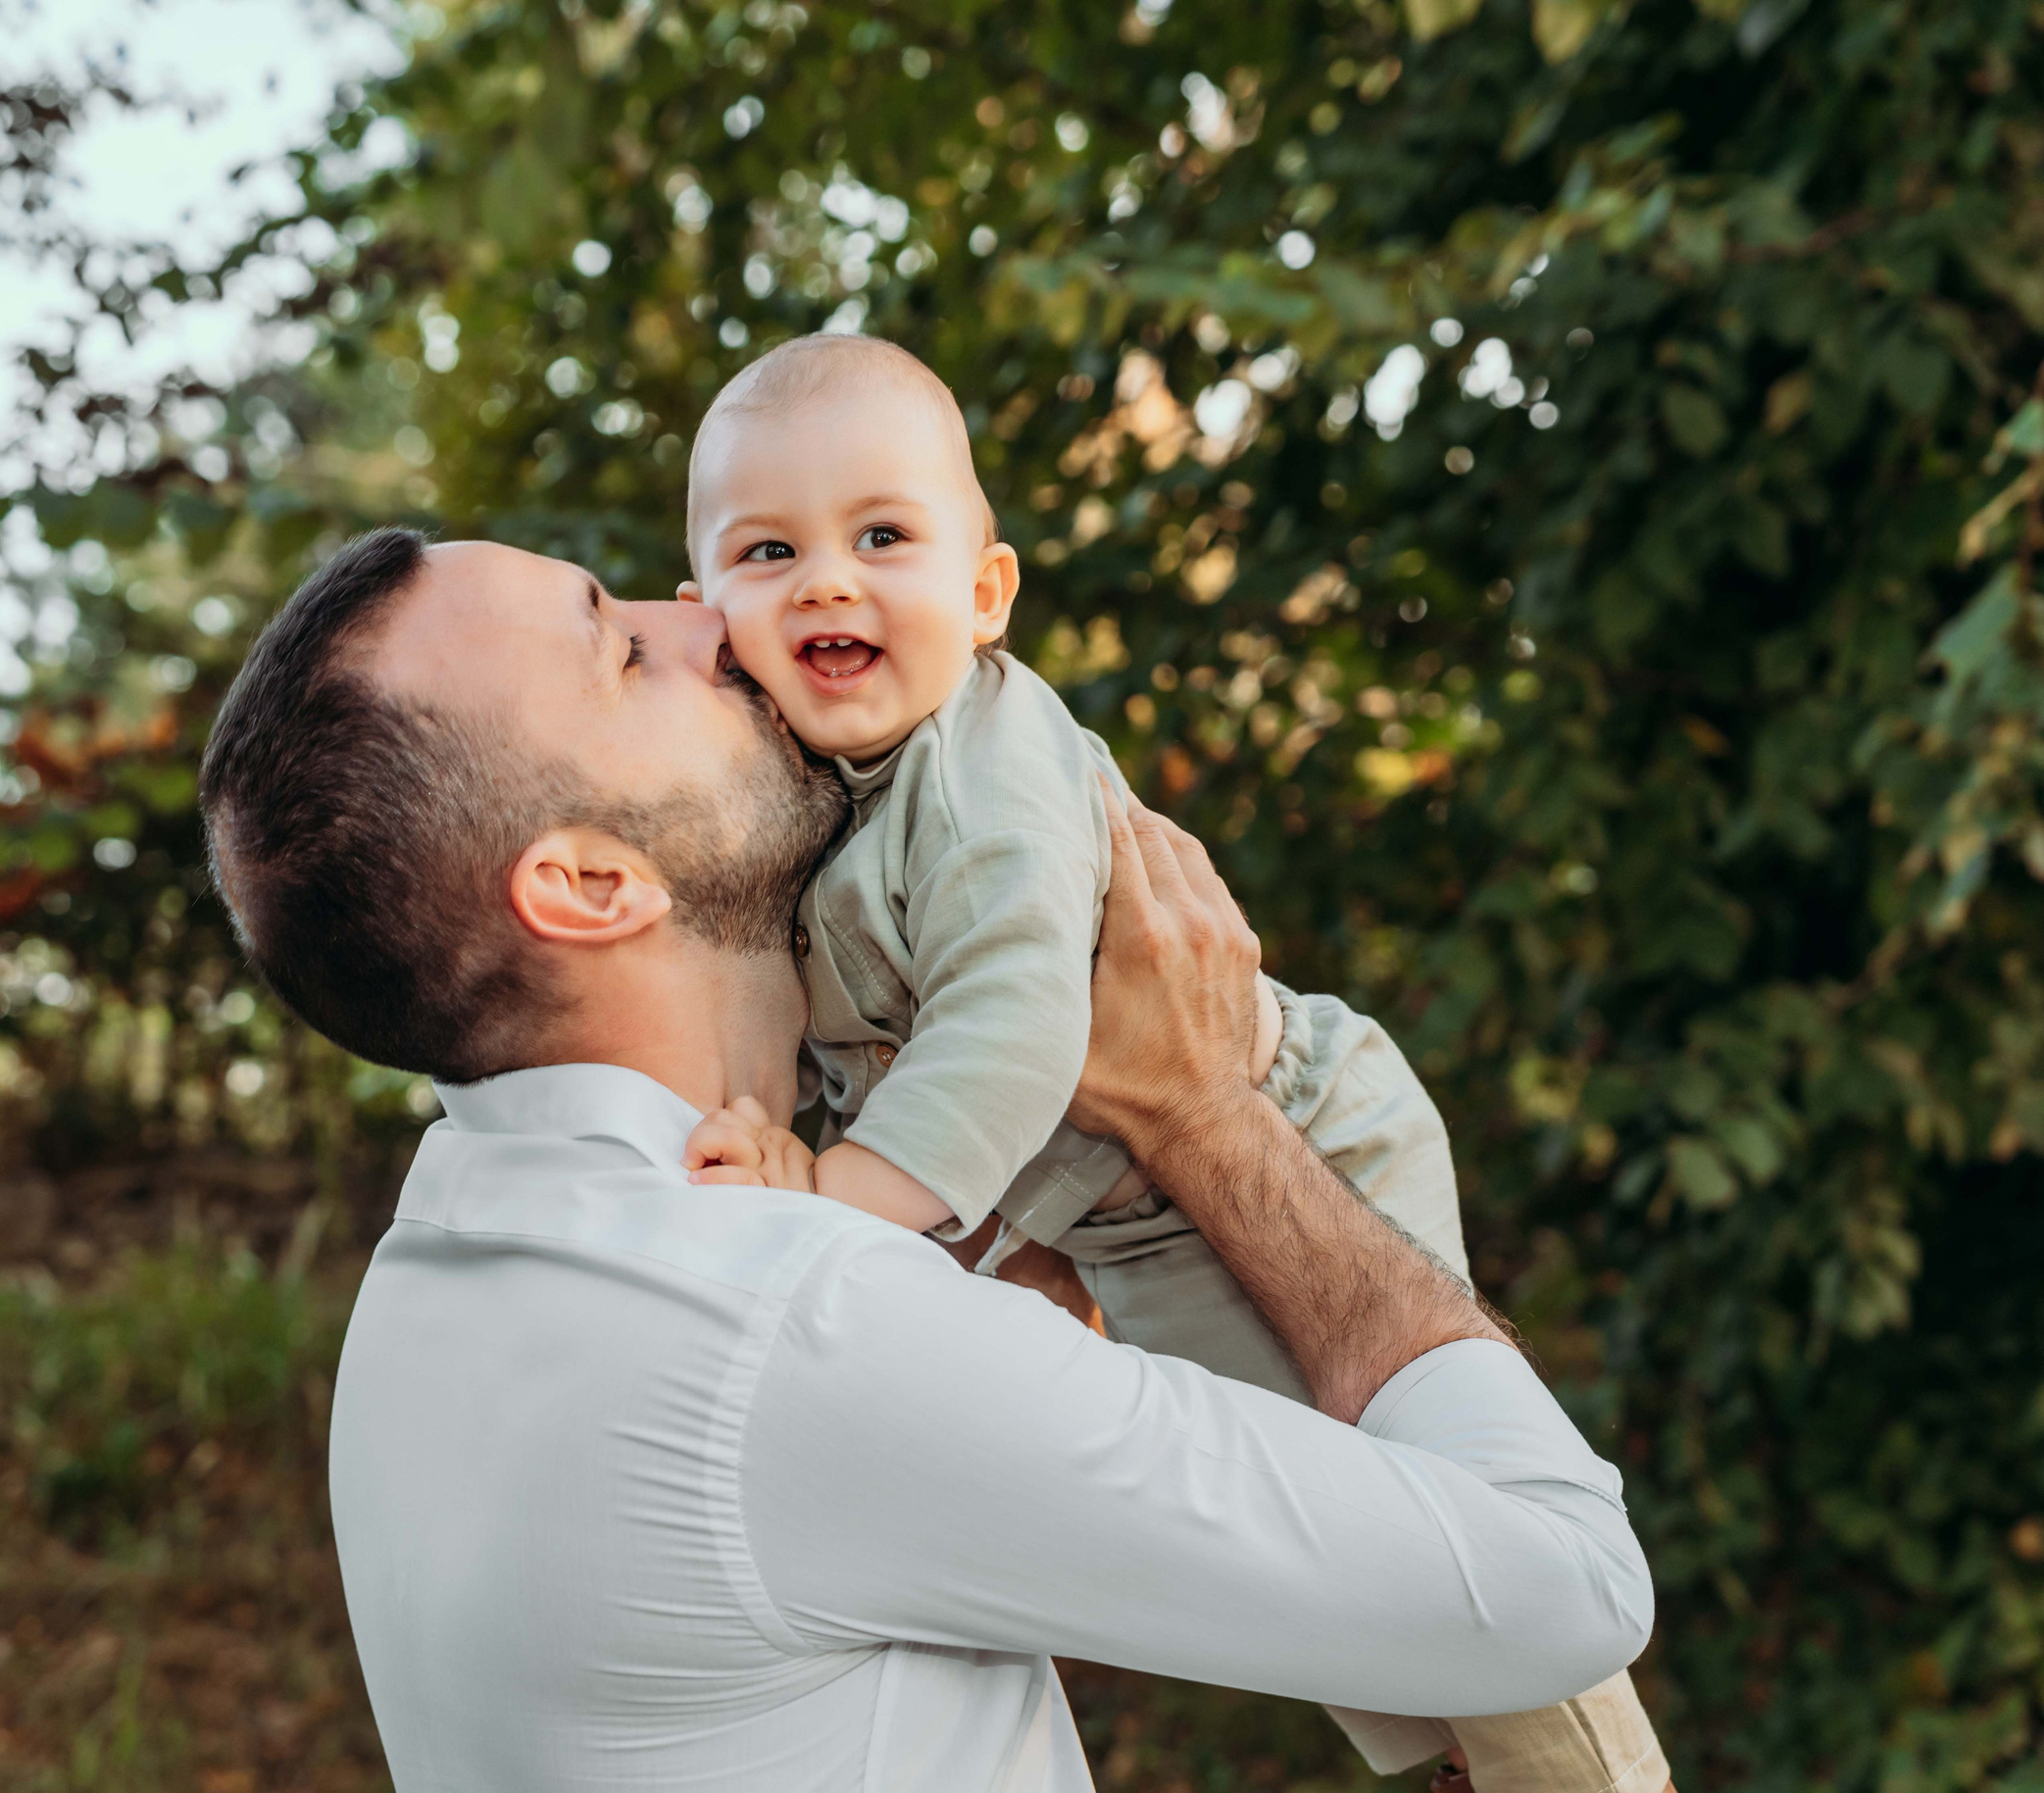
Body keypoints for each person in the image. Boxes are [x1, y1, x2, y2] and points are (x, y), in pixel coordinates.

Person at [197, 527, 1654, 1790]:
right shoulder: (786, 1319)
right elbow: (1565, 1585)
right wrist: (1202, 1113)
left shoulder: (436, 1278)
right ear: (591, 883)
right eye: (625, 649)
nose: (710, 611)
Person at [672, 333, 1668, 1791]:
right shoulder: (807, 797)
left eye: (883, 535)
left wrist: (830, 1196)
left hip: (1298, 1122)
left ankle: (1577, 1769)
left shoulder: (986, 765)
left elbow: (1014, 1024)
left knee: (1436, 1501)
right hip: (1130, 1212)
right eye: (770, 551)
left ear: (986, 591)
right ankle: (1464, 1753)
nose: (828, 578)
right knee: (1332, 1538)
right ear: (710, 616)